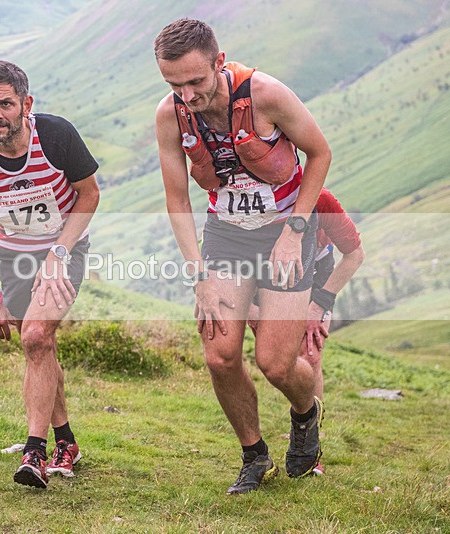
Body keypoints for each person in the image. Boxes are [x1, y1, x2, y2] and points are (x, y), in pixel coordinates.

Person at [153, 19, 332, 494]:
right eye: (174, 84)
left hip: (285, 231)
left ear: (218, 61)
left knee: (277, 363)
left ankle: (305, 411)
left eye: (195, 81)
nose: (186, 94)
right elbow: (177, 200)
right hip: (226, 236)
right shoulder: (170, 115)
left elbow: (319, 154)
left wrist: (295, 232)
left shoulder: (267, 95)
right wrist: (199, 275)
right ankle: (254, 455)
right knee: (219, 353)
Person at [0, 60, 100, 488]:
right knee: (39, 344)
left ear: (26, 104)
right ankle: (66, 441)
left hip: (64, 246)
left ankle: (34, 450)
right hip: (12, 255)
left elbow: (89, 196)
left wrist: (58, 251)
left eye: (5, 104)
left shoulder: (55, 136)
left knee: (34, 335)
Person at [248, 188, 365, 475]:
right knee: (277, 364)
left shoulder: (321, 200)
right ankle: (294, 423)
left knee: (310, 354)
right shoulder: (242, 195)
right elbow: (213, 256)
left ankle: (308, 447)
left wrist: (320, 304)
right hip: (256, 282)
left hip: (315, 278)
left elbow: (355, 255)